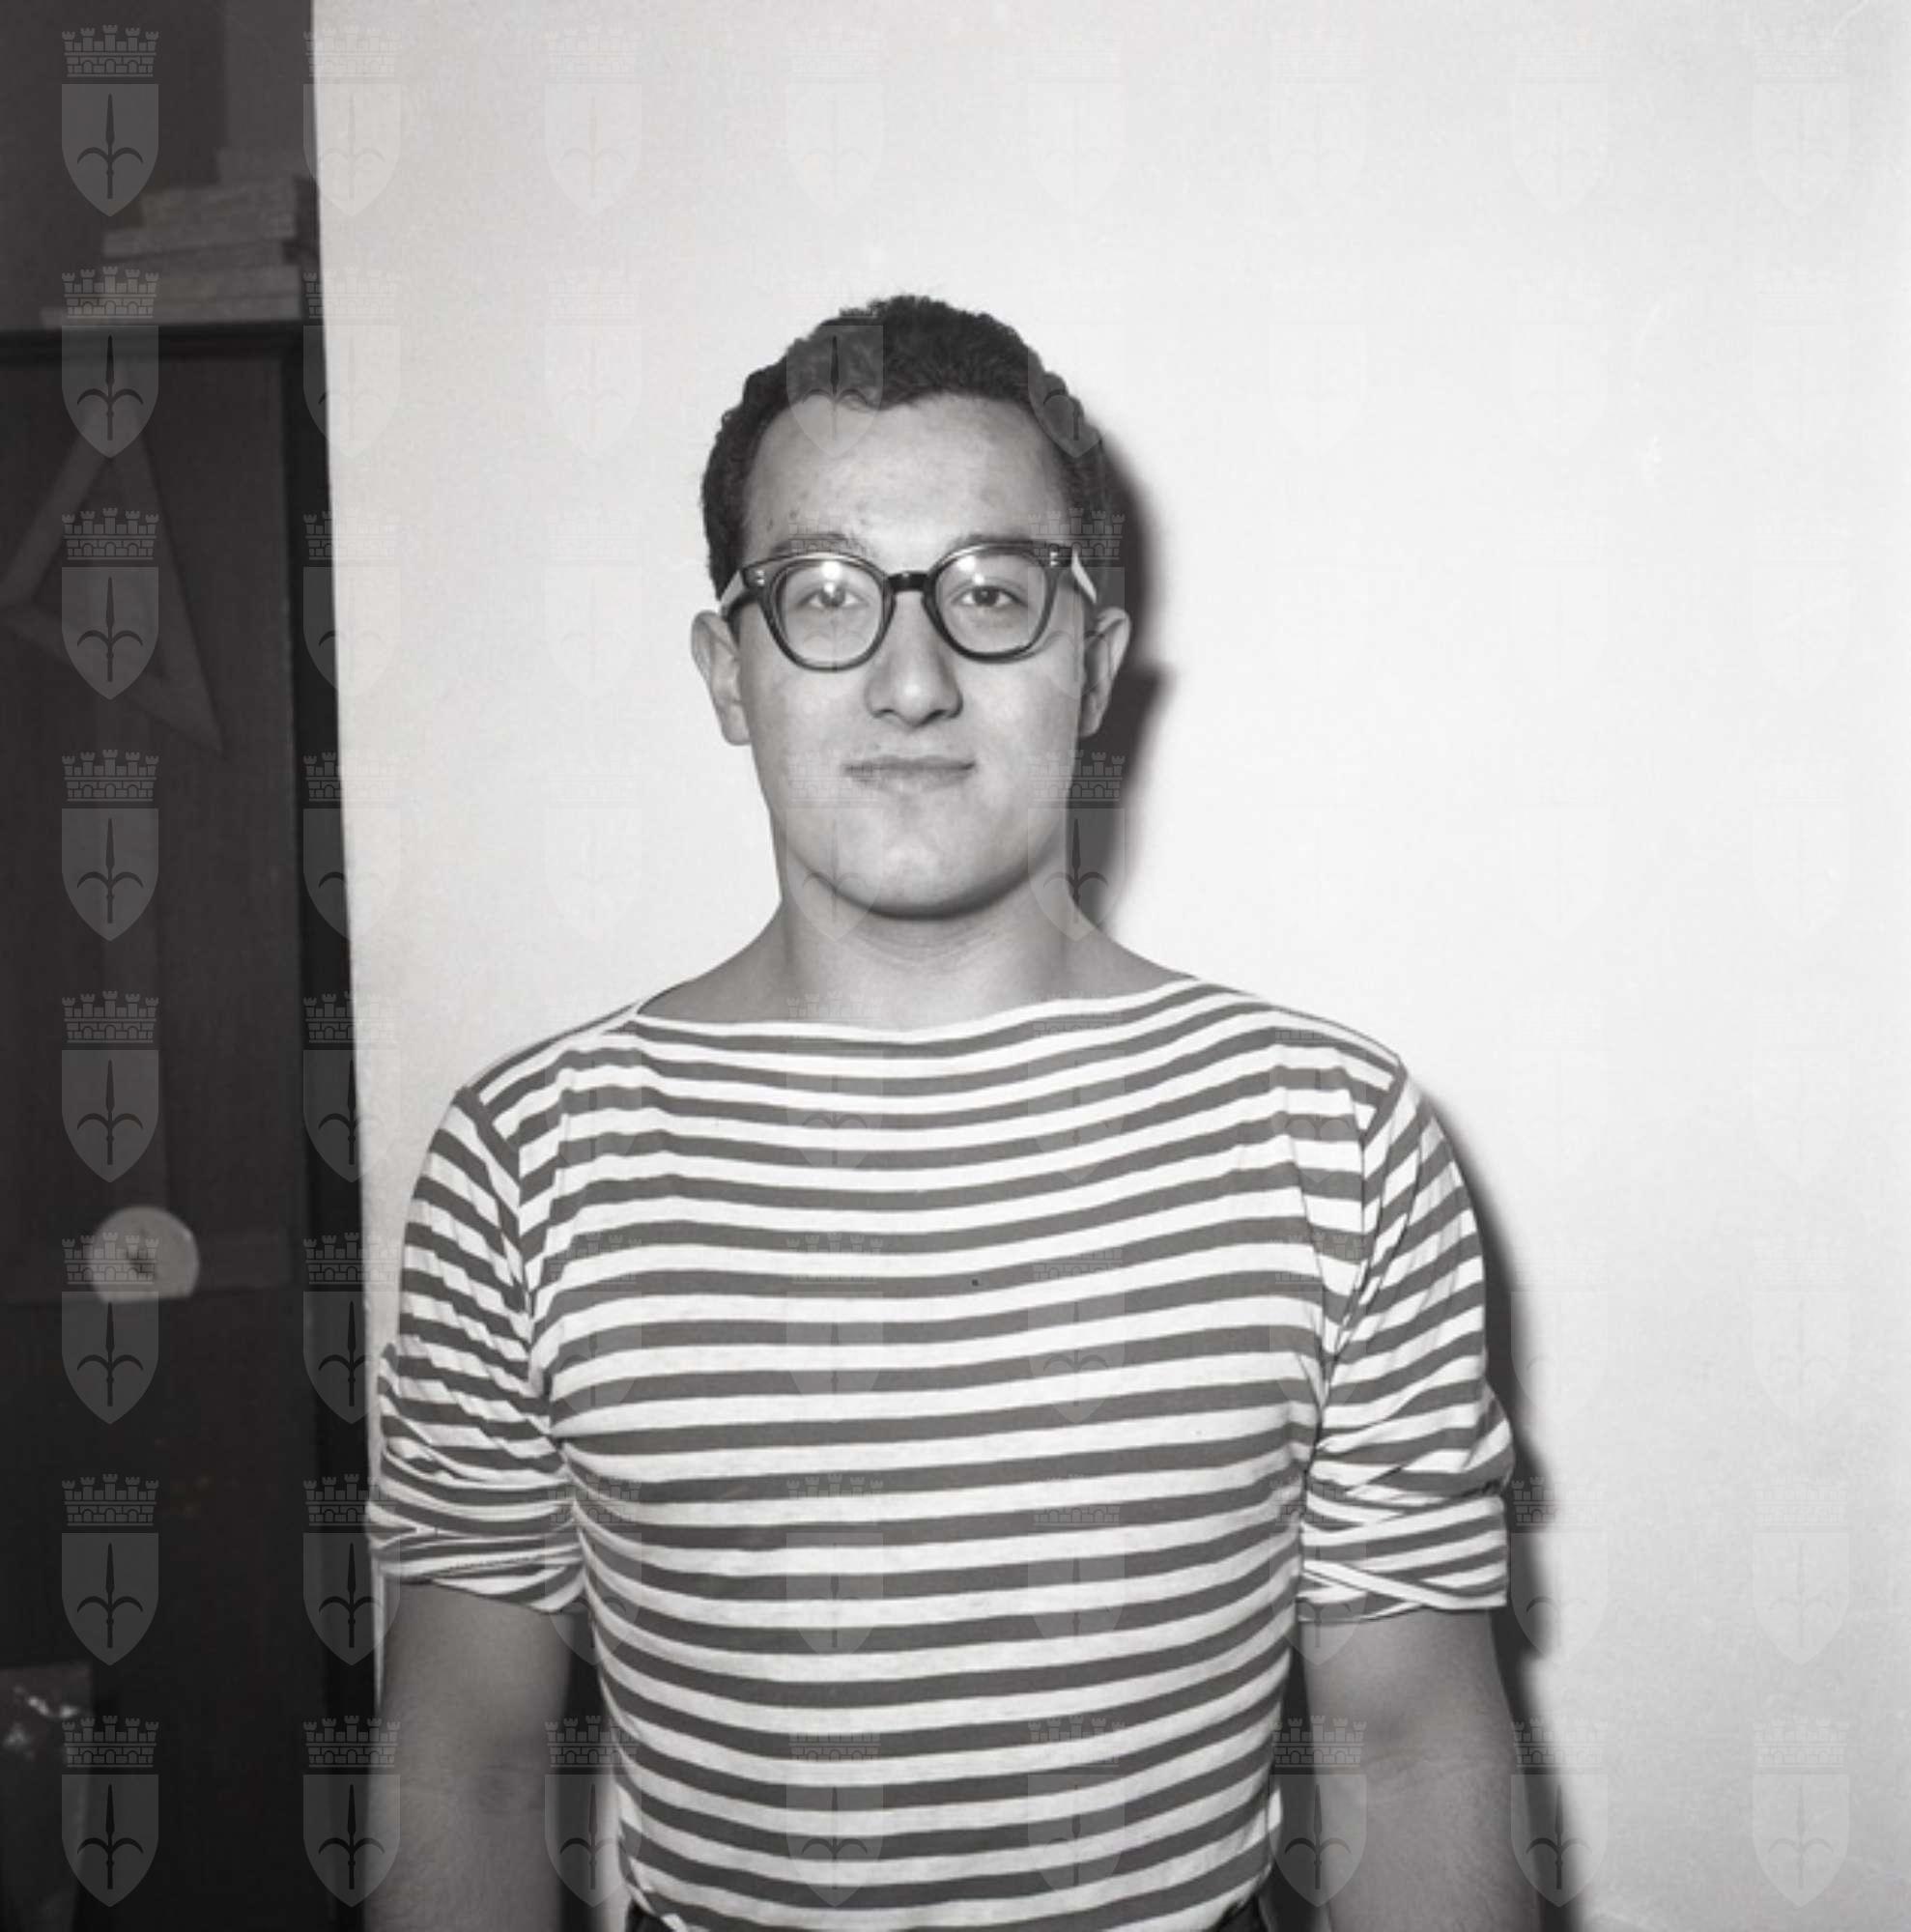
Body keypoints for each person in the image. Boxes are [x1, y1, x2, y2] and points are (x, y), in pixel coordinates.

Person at [365, 294, 1529, 1932]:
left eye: (991, 592)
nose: (910, 680)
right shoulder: (524, 1161)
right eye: (822, 593)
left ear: (1091, 666)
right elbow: (467, 1762)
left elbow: (1411, 1754)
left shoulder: (1330, 1135)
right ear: (727, 669)